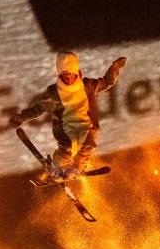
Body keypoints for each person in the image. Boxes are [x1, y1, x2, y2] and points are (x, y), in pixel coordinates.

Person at [9, 51, 127, 181]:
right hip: (65, 132)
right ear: (59, 74)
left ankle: (78, 167)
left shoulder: (87, 85)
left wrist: (115, 67)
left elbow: (106, 82)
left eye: (70, 73)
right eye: (63, 74)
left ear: (76, 72)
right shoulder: (54, 92)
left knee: (85, 148)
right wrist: (22, 117)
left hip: (87, 129)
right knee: (64, 153)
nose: (67, 77)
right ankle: (57, 167)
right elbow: (39, 108)